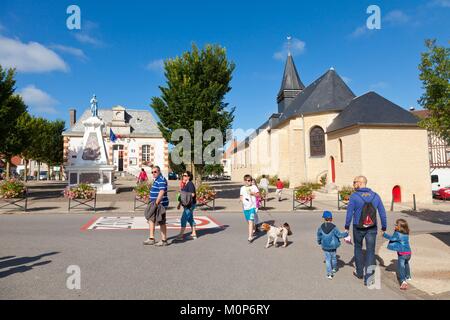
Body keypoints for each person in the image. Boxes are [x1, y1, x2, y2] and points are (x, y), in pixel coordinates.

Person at [345, 175, 387, 285]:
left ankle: (359, 272)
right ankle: (368, 278)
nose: (353, 184)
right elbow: (382, 212)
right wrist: (384, 227)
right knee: (370, 251)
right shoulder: (375, 196)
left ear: (360, 183)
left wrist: (346, 227)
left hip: (358, 227)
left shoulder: (354, 196)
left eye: (354, 182)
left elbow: (349, 213)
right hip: (372, 227)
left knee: (358, 248)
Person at [317, 211, 349, 279]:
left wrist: (319, 242)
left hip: (325, 246)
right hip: (333, 246)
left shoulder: (321, 227)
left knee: (328, 259)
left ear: (324, 218)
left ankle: (329, 274)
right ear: (331, 219)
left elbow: (319, 236)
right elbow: (339, 235)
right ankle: (334, 268)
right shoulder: (334, 227)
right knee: (334, 257)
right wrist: (346, 233)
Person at [143, 166, 170, 247]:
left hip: (160, 204)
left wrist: (157, 203)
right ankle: (151, 238)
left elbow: (161, 191)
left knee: (161, 221)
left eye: (155, 172)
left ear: (159, 171)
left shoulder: (161, 179)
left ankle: (164, 240)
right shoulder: (157, 179)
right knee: (151, 219)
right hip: (154, 203)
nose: (153, 173)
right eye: (152, 172)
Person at [383, 219, 412, 290]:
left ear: (400, 227)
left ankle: (403, 281)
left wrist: (384, 234)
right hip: (409, 253)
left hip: (402, 253)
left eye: (396, 225)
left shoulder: (398, 234)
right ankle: (408, 276)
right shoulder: (406, 233)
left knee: (401, 267)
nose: (395, 226)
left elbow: (392, 238)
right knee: (406, 263)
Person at [174, 171, 198, 241]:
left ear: (189, 177)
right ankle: (194, 233)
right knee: (190, 219)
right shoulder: (185, 184)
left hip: (190, 205)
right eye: (183, 175)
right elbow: (183, 195)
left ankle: (181, 235)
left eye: (185, 175)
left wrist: (184, 194)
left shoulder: (190, 184)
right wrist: (179, 204)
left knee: (183, 219)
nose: (183, 177)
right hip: (187, 205)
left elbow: (193, 194)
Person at [240, 174, 260, 243]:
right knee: (248, 221)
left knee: (251, 221)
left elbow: (258, 195)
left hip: (252, 207)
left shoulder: (254, 187)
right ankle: (253, 228)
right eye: (248, 180)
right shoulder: (242, 188)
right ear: (245, 181)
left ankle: (250, 236)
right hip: (246, 207)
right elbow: (241, 196)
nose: (250, 182)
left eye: (251, 180)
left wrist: (253, 193)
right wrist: (242, 201)